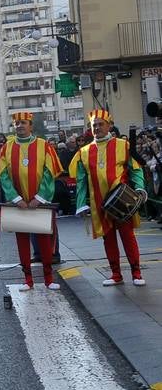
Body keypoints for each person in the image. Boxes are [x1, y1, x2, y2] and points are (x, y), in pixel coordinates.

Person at [70, 109, 147, 286]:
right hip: (99, 203)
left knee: (128, 236)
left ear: (109, 125)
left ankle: (136, 273)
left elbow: (135, 169)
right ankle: (116, 274)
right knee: (108, 238)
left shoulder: (123, 145)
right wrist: (81, 204)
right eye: (93, 125)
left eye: (100, 124)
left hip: (122, 200)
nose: (97, 128)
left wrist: (141, 188)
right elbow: (81, 181)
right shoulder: (84, 152)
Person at [0, 111, 63, 291]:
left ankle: (48, 278)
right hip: (19, 204)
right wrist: (16, 198)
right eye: (17, 123)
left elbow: (49, 173)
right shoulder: (6, 148)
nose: (20, 126)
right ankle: (28, 280)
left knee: (45, 240)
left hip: (39, 202)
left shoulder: (44, 146)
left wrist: (39, 198)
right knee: (22, 241)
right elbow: (3, 176)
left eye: (23, 123)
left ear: (30, 125)